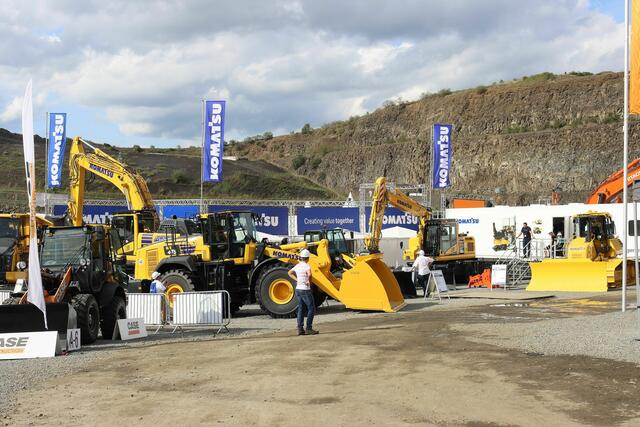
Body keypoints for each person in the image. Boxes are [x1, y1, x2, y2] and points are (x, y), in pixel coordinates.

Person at [288, 249, 319, 336]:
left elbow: (289, 273)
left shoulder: (297, 266)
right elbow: (310, 274)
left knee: (301, 308)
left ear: (301, 257)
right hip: (305, 289)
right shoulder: (307, 266)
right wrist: (309, 282)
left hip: (298, 289)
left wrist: (297, 279)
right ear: (308, 258)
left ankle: (300, 329)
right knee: (311, 308)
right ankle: (309, 328)